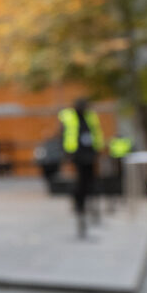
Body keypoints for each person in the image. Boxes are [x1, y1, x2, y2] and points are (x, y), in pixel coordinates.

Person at [59, 97, 103, 237]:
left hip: (89, 153)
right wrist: (68, 153)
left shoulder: (90, 116)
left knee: (90, 180)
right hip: (76, 154)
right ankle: (79, 205)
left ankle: (88, 205)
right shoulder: (69, 116)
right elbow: (64, 135)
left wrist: (98, 149)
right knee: (80, 181)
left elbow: (96, 133)